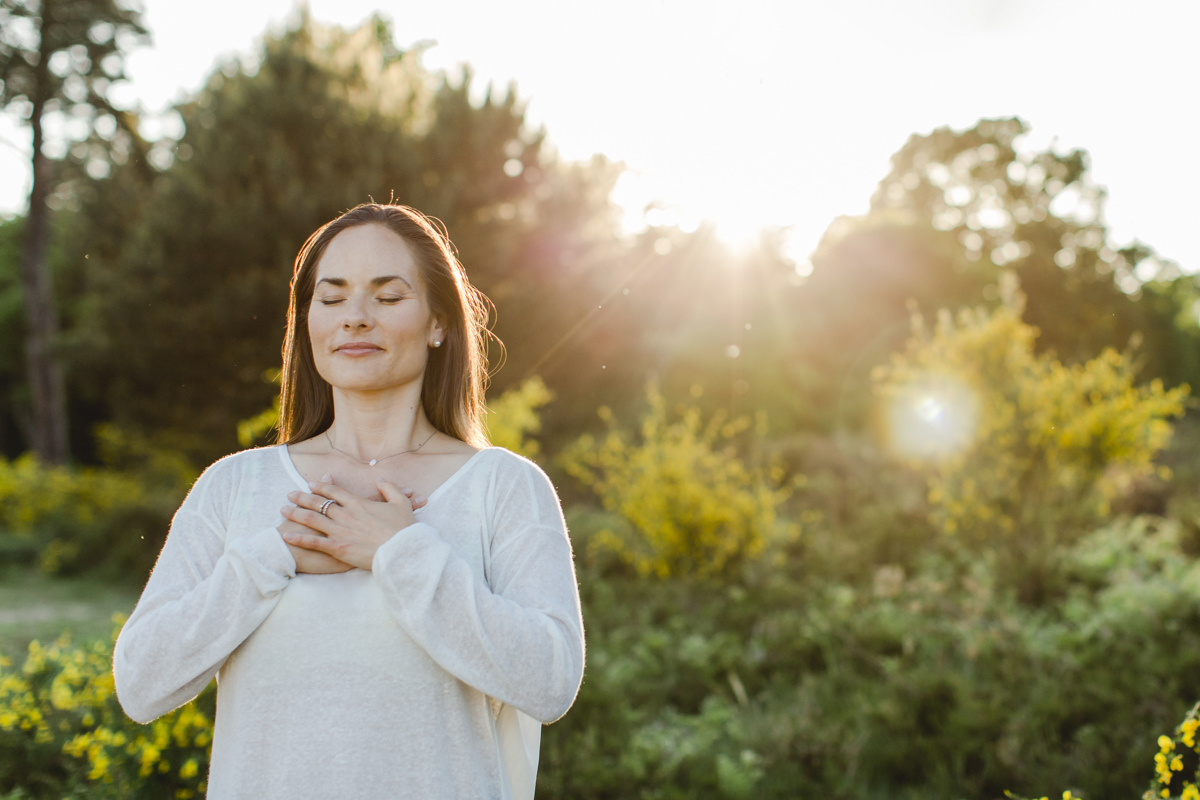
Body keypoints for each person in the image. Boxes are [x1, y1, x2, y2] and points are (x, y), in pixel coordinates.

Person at [113, 203, 586, 800]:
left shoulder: (504, 486)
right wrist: (272, 557)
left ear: (439, 323)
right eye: (331, 299)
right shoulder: (234, 486)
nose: (355, 318)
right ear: (306, 322)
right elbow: (140, 683)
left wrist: (399, 552)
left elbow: (549, 681)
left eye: (388, 298)